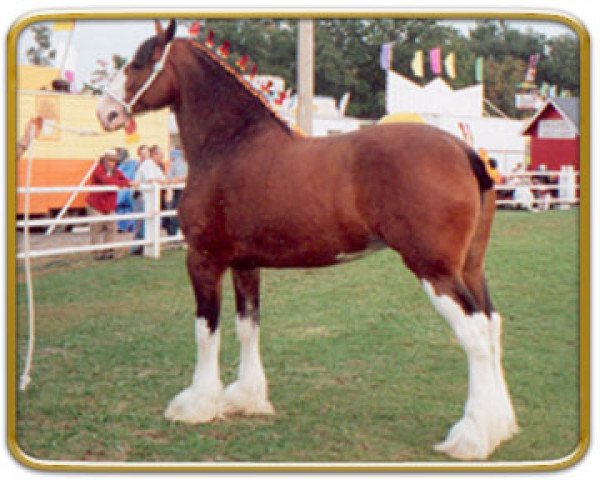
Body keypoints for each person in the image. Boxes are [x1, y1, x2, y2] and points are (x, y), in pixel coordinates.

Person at [86, 149, 138, 260]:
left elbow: (125, 180)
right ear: (104, 160)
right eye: (110, 160)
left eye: (114, 160)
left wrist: (125, 183)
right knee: (96, 228)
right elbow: (108, 182)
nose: (112, 163)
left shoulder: (116, 171)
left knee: (111, 227)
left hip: (108, 205)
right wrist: (125, 184)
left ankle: (108, 251)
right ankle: (96, 253)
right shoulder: (98, 170)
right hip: (96, 204)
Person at [131, 144, 167, 255]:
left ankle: (147, 245)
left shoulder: (156, 166)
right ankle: (137, 247)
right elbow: (151, 180)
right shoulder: (147, 164)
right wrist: (164, 181)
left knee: (151, 220)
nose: (162, 156)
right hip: (141, 197)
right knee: (141, 222)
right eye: (160, 154)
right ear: (154, 154)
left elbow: (162, 180)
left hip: (151, 198)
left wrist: (165, 182)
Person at [165, 147, 188, 236]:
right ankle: (173, 234)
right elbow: (169, 177)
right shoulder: (175, 163)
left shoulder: (194, 162)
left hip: (191, 191)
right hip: (178, 192)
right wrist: (178, 180)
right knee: (176, 211)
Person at [115, 147, 138, 233]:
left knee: (123, 208)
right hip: (128, 188)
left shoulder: (120, 166)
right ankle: (127, 226)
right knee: (128, 208)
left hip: (125, 189)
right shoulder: (134, 163)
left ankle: (123, 226)